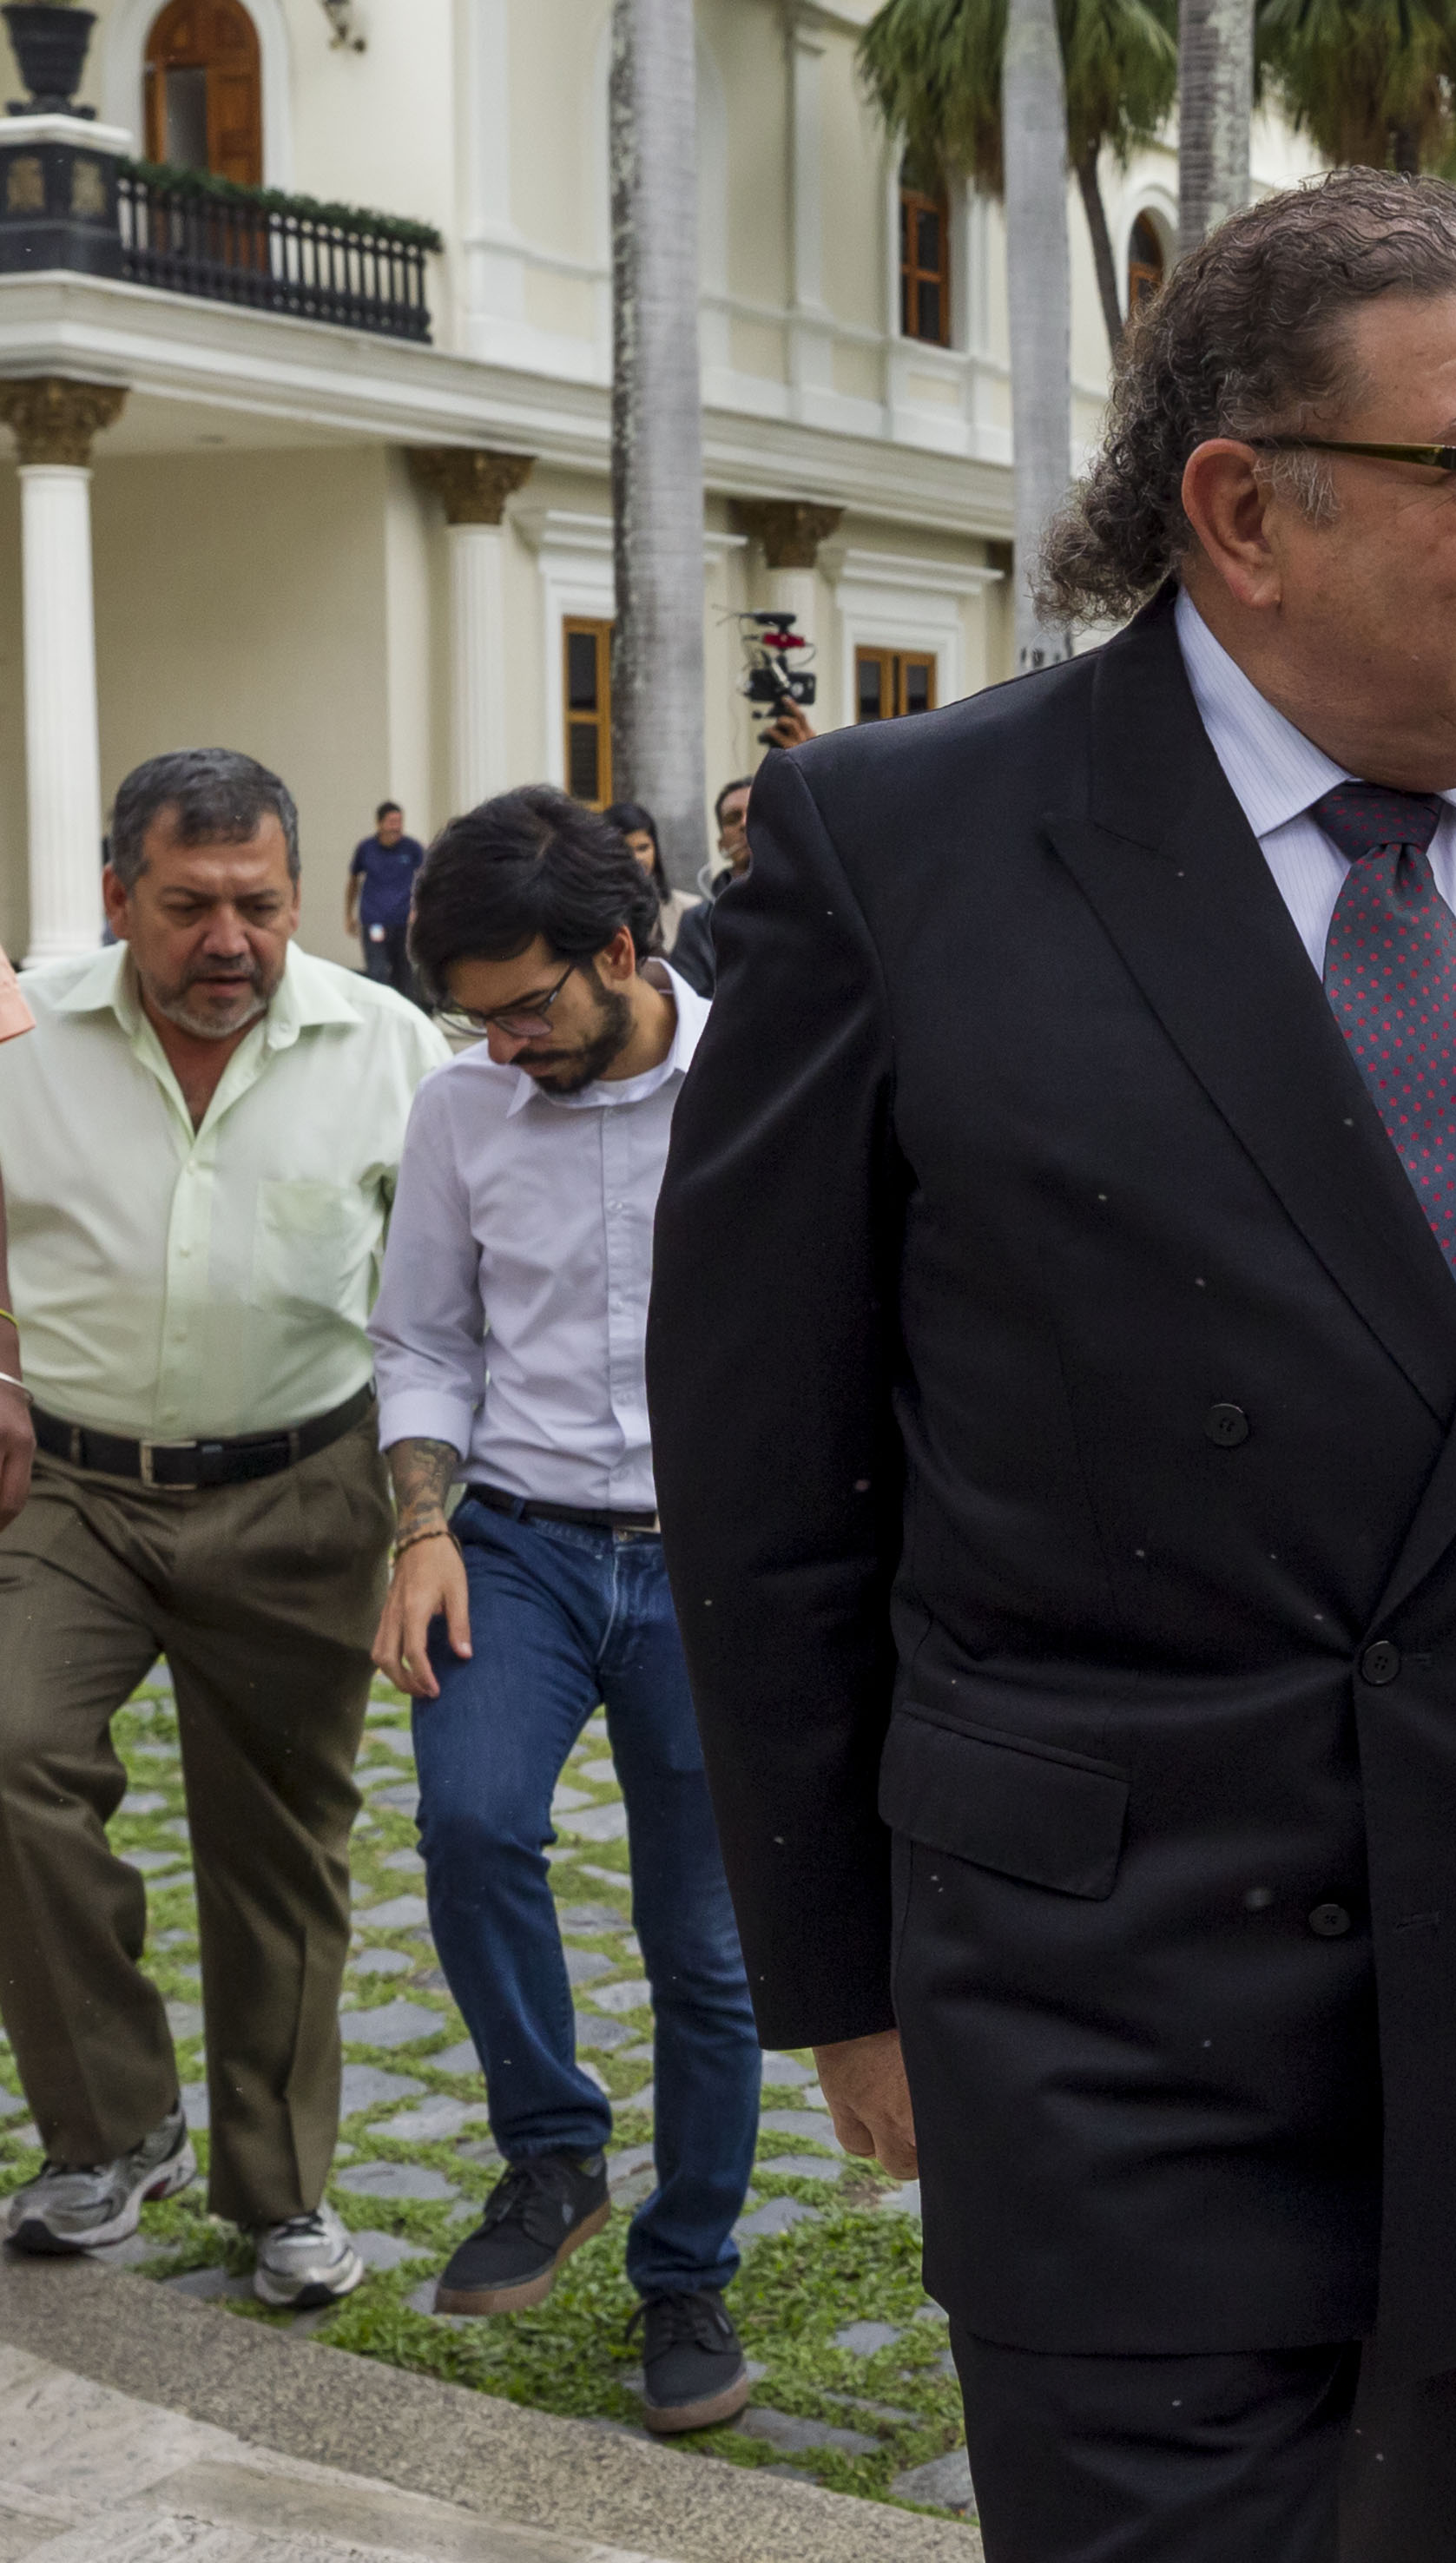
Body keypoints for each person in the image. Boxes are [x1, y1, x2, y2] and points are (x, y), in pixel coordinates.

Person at [650, 168, 1456, 2563]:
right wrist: (845, 1968)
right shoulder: (899, 849)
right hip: (1101, 2008)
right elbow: (765, 1463)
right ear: (1239, 508)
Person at [0, 748, 450, 2307]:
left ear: (305, 896)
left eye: (257, 904)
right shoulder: (21, 1030)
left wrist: (427, 1518)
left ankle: (280, 2196)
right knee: (10, 1754)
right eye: (187, 907)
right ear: (117, 895)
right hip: (67, 1485)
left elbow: (443, 1306)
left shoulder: (391, 1049)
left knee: (277, 1850)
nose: (228, 943)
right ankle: (111, 2132)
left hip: (301, 1484)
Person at [369, 789, 761, 2435]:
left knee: (710, 1955)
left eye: (530, 1008)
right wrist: (420, 1527)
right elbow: (423, 1337)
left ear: (624, 946)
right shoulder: (463, 1111)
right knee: (467, 1824)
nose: (506, 1045)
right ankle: (552, 2152)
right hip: (515, 1539)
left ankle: (689, 2280)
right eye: (479, 1018)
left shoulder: (763, 1079)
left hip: (712, 1563)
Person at [666, 781, 761, 998]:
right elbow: (692, 1003)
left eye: (756, 811)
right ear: (721, 846)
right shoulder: (697, 924)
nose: (744, 823)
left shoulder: (808, 901)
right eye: (732, 818)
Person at [345, 801, 422, 995]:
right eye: (391, 822)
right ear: (379, 824)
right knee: (377, 971)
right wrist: (349, 915)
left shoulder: (412, 848)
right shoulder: (366, 848)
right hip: (374, 921)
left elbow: (426, 879)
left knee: (404, 972)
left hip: (403, 922)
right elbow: (353, 881)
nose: (396, 827)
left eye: (399, 822)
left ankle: (407, 1016)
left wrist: (418, 910)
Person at [610, 805, 705, 955]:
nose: (637, 858)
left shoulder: (690, 910)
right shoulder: (594, 916)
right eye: (624, 851)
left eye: (643, 848)